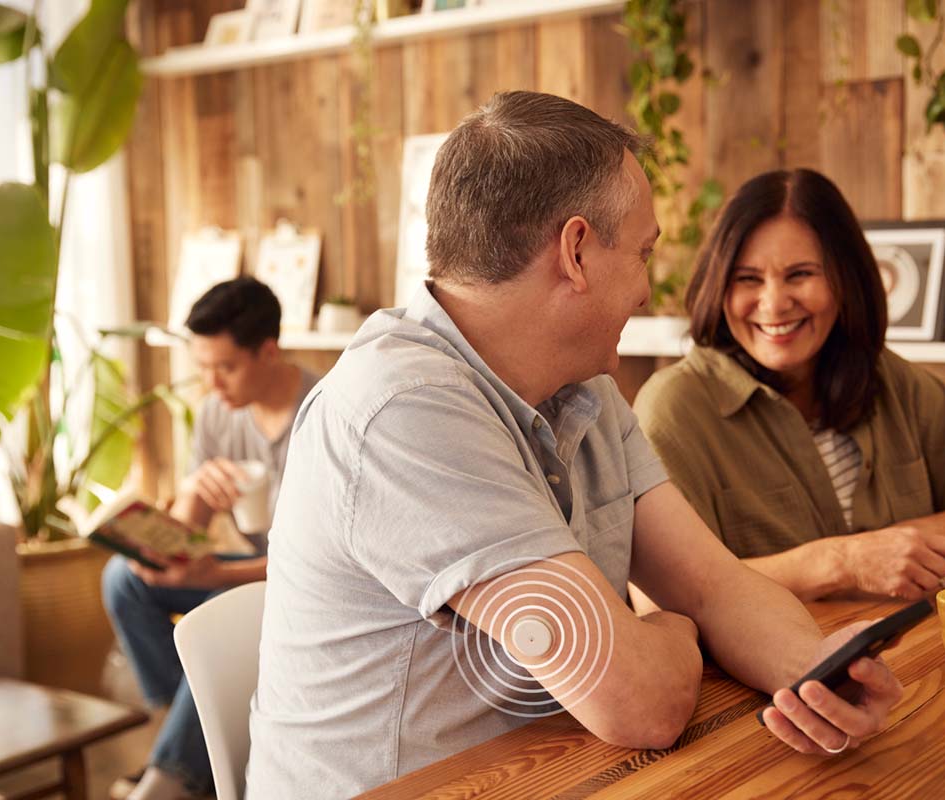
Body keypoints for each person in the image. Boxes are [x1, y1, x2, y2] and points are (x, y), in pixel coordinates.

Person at [247, 92, 903, 799]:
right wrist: (676, 629)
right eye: (644, 253)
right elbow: (640, 702)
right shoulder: (404, 410)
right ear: (577, 251)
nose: (647, 290)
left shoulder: (583, 388)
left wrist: (814, 668)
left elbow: (713, 586)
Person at [633, 168, 945, 602]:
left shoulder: (895, 382)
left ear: (845, 280)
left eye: (800, 274)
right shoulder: (673, 409)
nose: (774, 304)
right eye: (747, 279)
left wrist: (902, 546)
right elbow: (655, 599)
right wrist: (844, 562)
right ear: (719, 287)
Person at [102, 276, 316, 800]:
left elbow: (313, 560)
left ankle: (170, 778)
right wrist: (193, 490)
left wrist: (218, 573)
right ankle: (192, 743)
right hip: (251, 568)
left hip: (305, 582)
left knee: (225, 605)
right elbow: (186, 530)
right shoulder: (219, 412)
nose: (213, 384)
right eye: (203, 368)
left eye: (226, 367)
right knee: (123, 579)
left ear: (268, 351)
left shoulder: (321, 413)